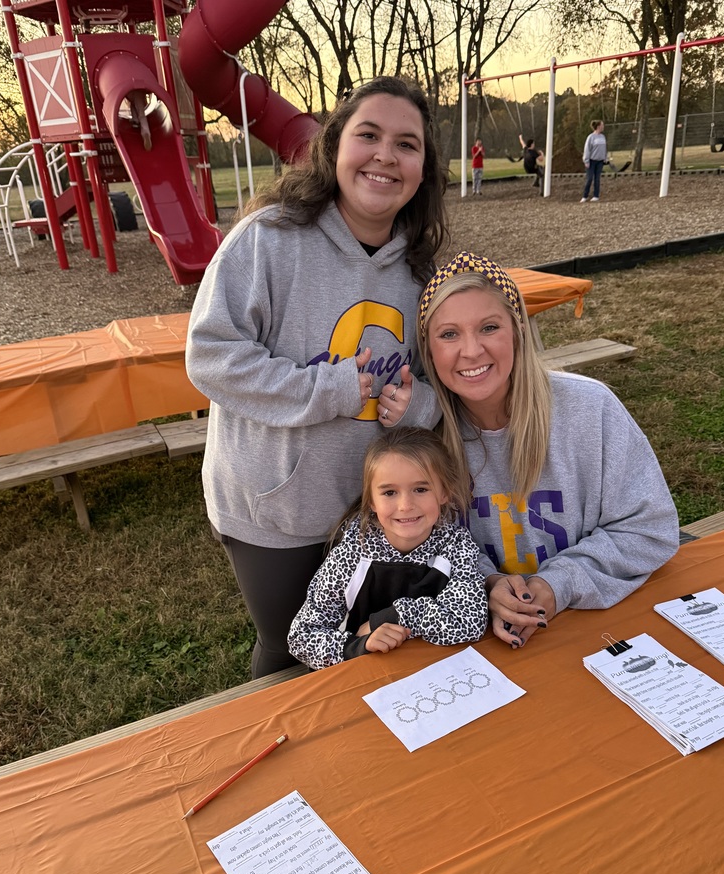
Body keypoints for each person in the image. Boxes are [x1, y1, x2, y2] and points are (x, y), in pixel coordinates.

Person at [185, 78, 448, 679]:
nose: (386, 155)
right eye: (369, 135)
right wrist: (325, 389)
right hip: (273, 510)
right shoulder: (269, 239)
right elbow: (210, 355)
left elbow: (441, 382)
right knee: (292, 648)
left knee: (365, 645)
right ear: (334, 147)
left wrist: (417, 408)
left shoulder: (420, 270)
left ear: (423, 168)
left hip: (375, 512)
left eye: (406, 144)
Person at [416, 251, 679, 649]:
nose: (471, 351)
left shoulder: (591, 409)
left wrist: (557, 583)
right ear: (429, 350)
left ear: (518, 330)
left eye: (489, 327)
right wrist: (487, 581)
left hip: (596, 623)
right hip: (481, 639)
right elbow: (418, 543)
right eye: (449, 334)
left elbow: (649, 527)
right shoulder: (424, 437)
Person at [287, 427, 487, 670]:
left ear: (444, 492)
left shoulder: (457, 546)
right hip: (364, 678)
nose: (405, 505)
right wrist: (359, 645)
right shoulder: (352, 554)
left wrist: (393, 616)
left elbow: (471, 622)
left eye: (420, 489)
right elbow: (302, 637)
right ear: (371, 500)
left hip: (435, 673)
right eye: (390, 492)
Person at [581, 120, 609, 203]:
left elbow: (604, 148)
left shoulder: (603, 137)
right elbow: (587, 149)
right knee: (589, 178)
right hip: (591, 161)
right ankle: (585, 196)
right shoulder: (591, 137)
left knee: (597, 179)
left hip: (600, 161)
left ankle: (596, 196)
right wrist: (586, 160)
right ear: (598, 126)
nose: (603, 127)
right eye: (602, 125)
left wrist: (605, 157)